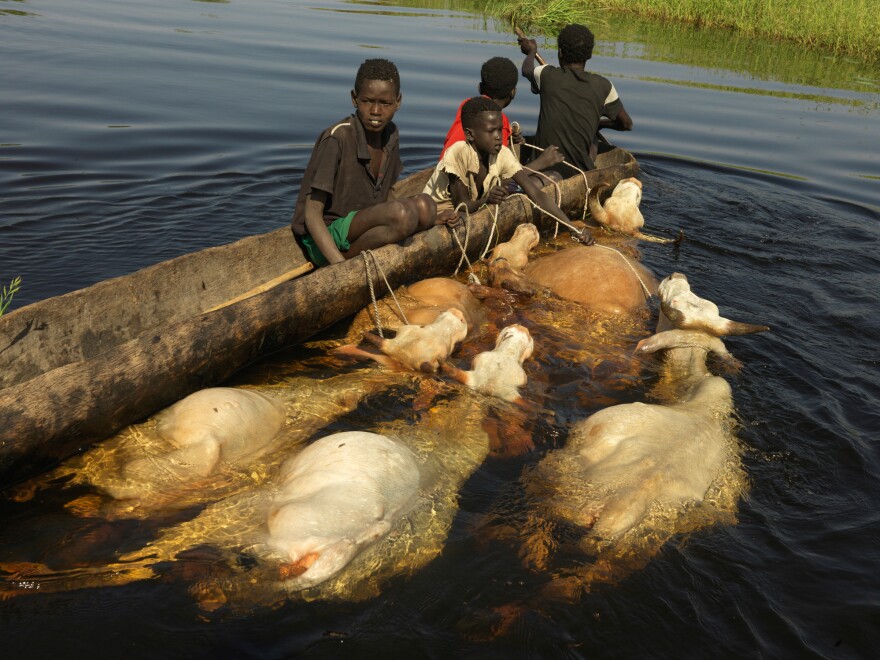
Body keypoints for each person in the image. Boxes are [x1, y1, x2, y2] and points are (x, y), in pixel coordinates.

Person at [291, 58, 455, 267]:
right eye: (368, 101)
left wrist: (429, 221)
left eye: (385, 103)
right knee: (402, 214)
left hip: (360, 225)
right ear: (354, 98)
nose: (376, 111)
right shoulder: (337, 138)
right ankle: (350, 261)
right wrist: (340, 267)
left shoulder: (391, 134)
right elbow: (312, 213)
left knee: (426, 206)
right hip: (325, 235)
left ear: (398, 102)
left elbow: (387, 193)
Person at [423, 97, 593, 245]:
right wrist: (486, 200)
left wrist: (572, 228)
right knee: (462, 219)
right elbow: (463, 206)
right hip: (437, 212)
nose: (498, 136)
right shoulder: (458, 153)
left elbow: (536, 193)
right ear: (470, 135)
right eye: (490, 131)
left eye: (499, 129)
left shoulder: (501, 153)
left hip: (468, 207)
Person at [518, 24, 632, 173]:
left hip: (542, 169)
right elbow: (626, 124)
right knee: (593, 140)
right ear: (589, 55)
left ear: (560, 52)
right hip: (579, 172)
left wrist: (531, 52)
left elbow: (527, 69)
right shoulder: (604, 86)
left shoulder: (546, 75)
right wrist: (601, 124)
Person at [440, 56, 563, 175]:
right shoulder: (500, 121)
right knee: (553, 177)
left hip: (444, 168)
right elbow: (499, 172)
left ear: (480, 87)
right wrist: (541, 162)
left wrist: (510, 139)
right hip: (470, 180)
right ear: (513, 92)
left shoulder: (466, 105)